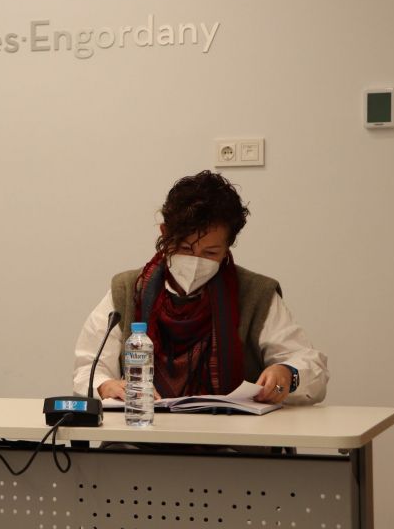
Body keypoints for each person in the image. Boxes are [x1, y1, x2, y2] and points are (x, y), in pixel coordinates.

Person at [73, 171, 327, 405]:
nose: (195, 262)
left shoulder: (255, 294)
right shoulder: (129, 289)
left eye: (210, 253)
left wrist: (287, 373)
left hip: (233, 435)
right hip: (144, 431)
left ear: (228, 246)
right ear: (164, 233)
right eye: (184, 249)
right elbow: (88, 369)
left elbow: (310, 365)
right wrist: (104, 385)